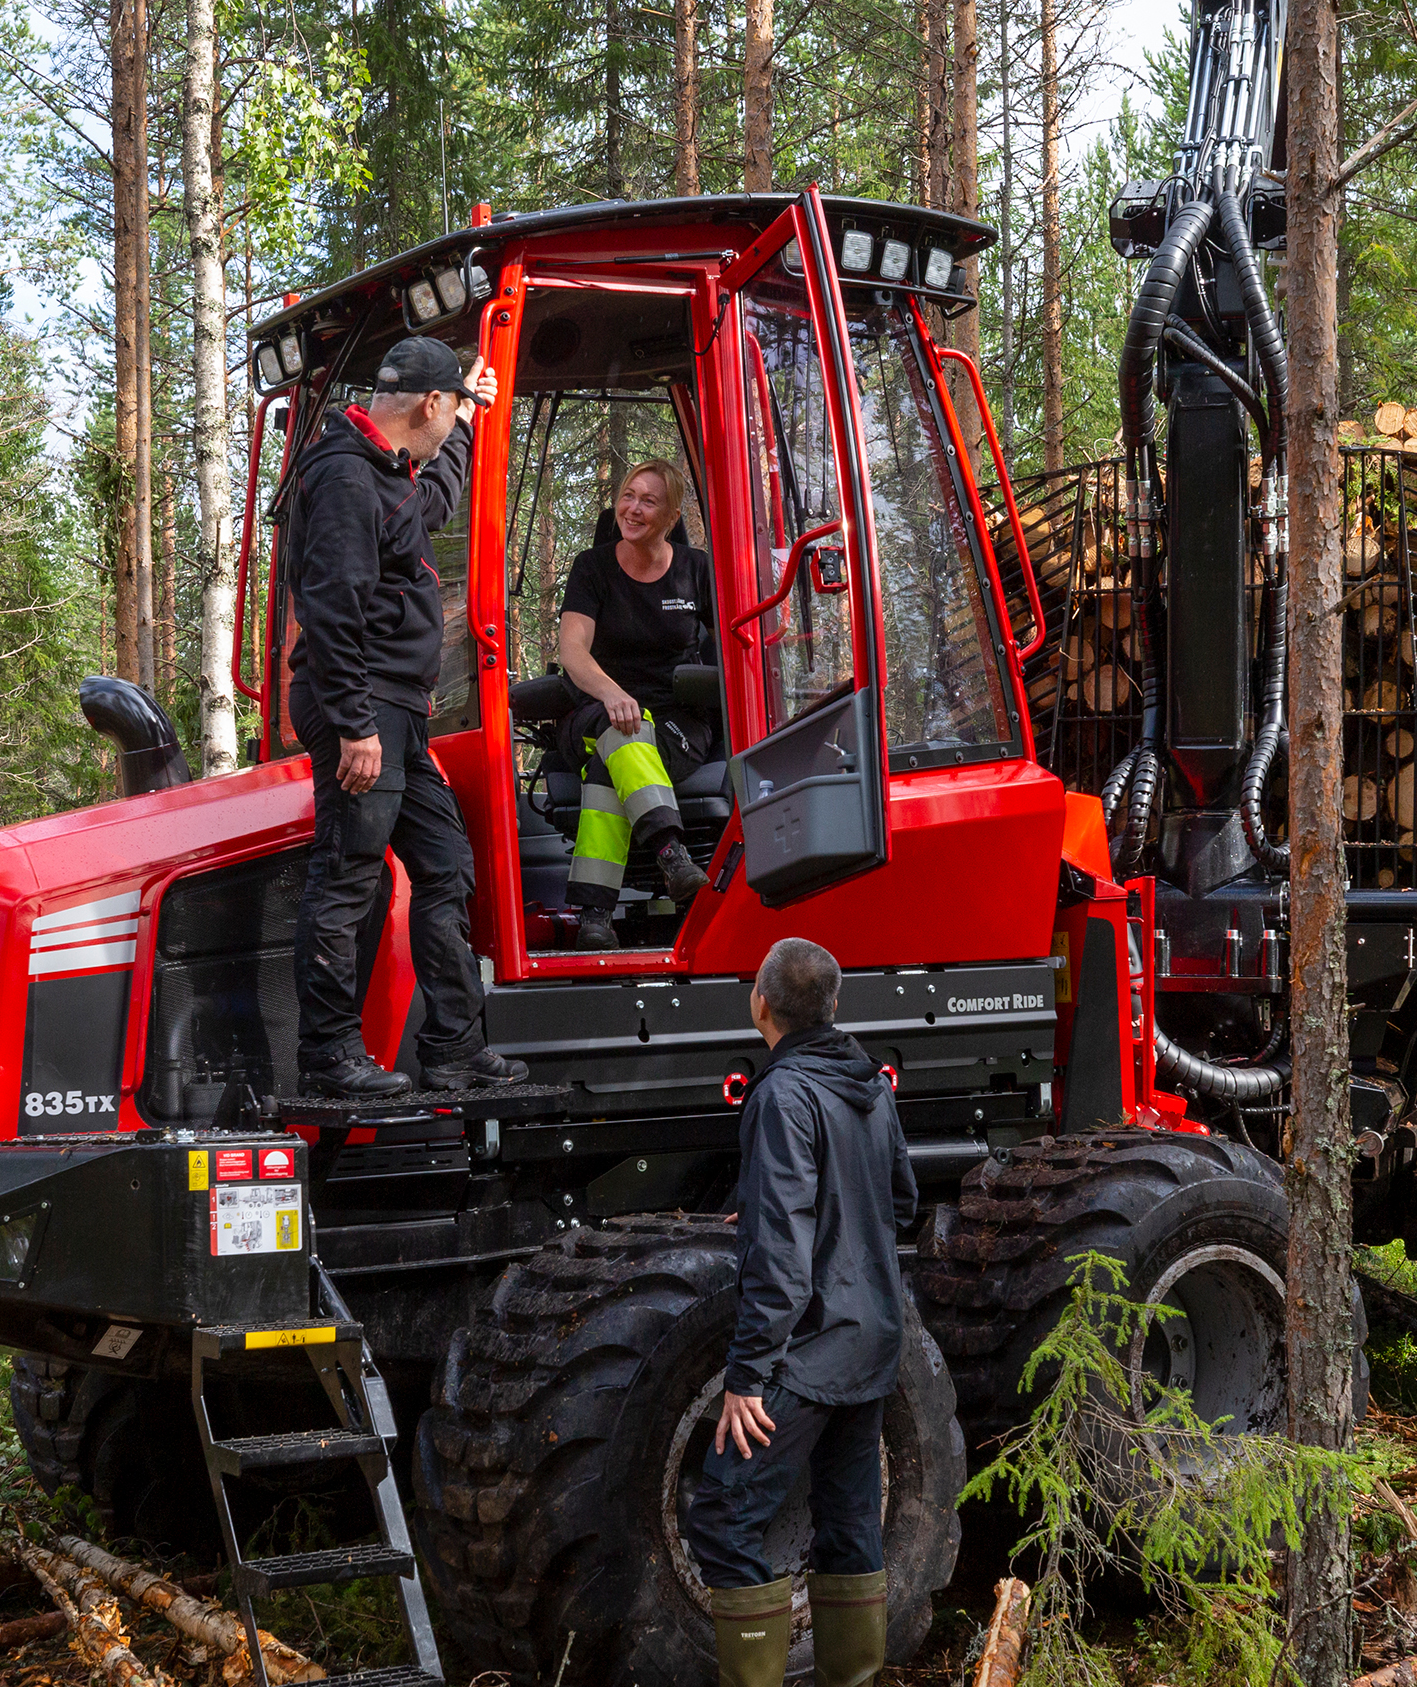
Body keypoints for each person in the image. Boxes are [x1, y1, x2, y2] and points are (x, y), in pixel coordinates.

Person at [283, 336, 528, 1099]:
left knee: (446, 867)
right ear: (428, 404)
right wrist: (355, 723)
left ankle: (453, 1046)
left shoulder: (383, 471)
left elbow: (435, 503)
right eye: (449, 409)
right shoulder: (347, 479)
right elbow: (332, 607)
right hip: (363, 707)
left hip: (394, 711)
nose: (449, 420)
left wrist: (474, 411)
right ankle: (328, 1055)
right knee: (349, 875)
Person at [685, 937, 915, 1687]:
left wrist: (746, 1376)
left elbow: (785, 1258)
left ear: (760, 1003)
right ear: (834, 1006)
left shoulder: (782, 1094)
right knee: (849, 1527)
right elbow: (898, 1201)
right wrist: (758, 1211)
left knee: (723, 1513)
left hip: (809, 1354)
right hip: (873, 1343)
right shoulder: (870, 1087)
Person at [554, 460, 717, 950]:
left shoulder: (697, 569)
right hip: (596, 709)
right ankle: (671, 850)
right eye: (628, 495)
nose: (633, 508)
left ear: (671, 516)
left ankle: (596, 915)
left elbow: (741, 645)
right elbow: (573, 652)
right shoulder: (592, 567)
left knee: (617, 753)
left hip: (676, 723)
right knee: (617, 726)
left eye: (649, 501)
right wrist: (610, 691)